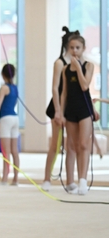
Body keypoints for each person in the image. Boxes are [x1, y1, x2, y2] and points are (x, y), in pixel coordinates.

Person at [61, 33, 96, 195]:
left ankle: (83, 179)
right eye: (72, 48)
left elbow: (84, 86)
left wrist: (78, 67)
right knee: (73, 146)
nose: (74, 51)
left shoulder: (89, 66)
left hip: (85, 109)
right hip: (71, 110)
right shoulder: (65, 70)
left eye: (77, 48)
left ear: (83, 49)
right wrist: (60, 113)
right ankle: (72, 181)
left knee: (83, 144)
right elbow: (64, 94)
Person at [43, 27, 76, 191]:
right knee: (56, 144)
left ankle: (70, 180)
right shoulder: (60, 62)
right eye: (72, 46)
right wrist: (57, 110)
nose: (75, 49)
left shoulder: (79, 63)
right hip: (58, 106)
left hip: (73, 107)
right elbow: (55, 88)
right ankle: (47, 178)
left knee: (71, 145)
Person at [0, 64, 20, 185]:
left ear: (2, 75)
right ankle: (15, 179)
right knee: (15, 151)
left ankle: (4, 179)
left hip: (5, 118)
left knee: (6, 151)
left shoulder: (4, 88)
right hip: (15, 118)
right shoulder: (15, 88)